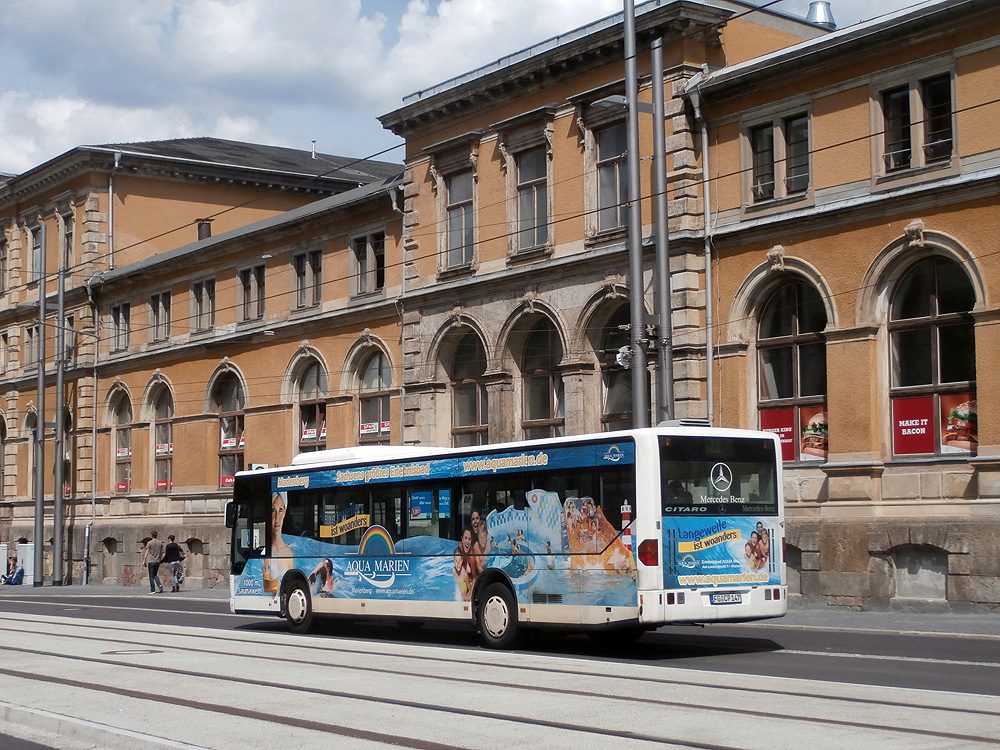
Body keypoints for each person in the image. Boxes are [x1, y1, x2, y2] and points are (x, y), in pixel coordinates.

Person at [264, 493, 294, 594]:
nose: (277, 518)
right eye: (273, 510)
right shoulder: (264, 552)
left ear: (285, 512)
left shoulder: (288, 553)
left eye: (280, 510)